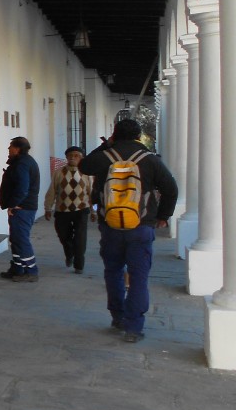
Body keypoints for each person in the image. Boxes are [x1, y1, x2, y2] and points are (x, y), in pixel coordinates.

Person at [79, 118, 178, 342]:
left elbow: (84, 166)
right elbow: (171, 189)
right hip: (141, 226)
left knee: (113, 271)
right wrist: (163, 216)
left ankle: (118, 316)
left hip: (110, 225)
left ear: (114, 134)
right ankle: (134, 327)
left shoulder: (105, 156)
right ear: (138, 136)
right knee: (138, 277)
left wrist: (106, 145)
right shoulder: (150, 159)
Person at [44, 146, 97, 273]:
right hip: (62, 210)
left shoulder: (87, 174)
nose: (73, 158)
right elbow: (52, 191)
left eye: (76, 155)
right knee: (63, 235)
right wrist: (48, 208)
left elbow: (92, 194)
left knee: (80, 238)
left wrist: (94, 210)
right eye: (70, 155)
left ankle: (79, 265)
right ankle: (69, 253)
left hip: (81, 210)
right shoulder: (59, 172)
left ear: (81, 158)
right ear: (66, 157)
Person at [0, 136, 40, 282]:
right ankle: (18, 268)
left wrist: (13, 204)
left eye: (10, 146)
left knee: (21, 239)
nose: (8, 149)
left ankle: (31, 270)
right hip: (24, 207)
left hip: (23, 208)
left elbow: (22, 188)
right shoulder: (24, 161)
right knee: (16, 239)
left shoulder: (22, 163)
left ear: (17, 148)